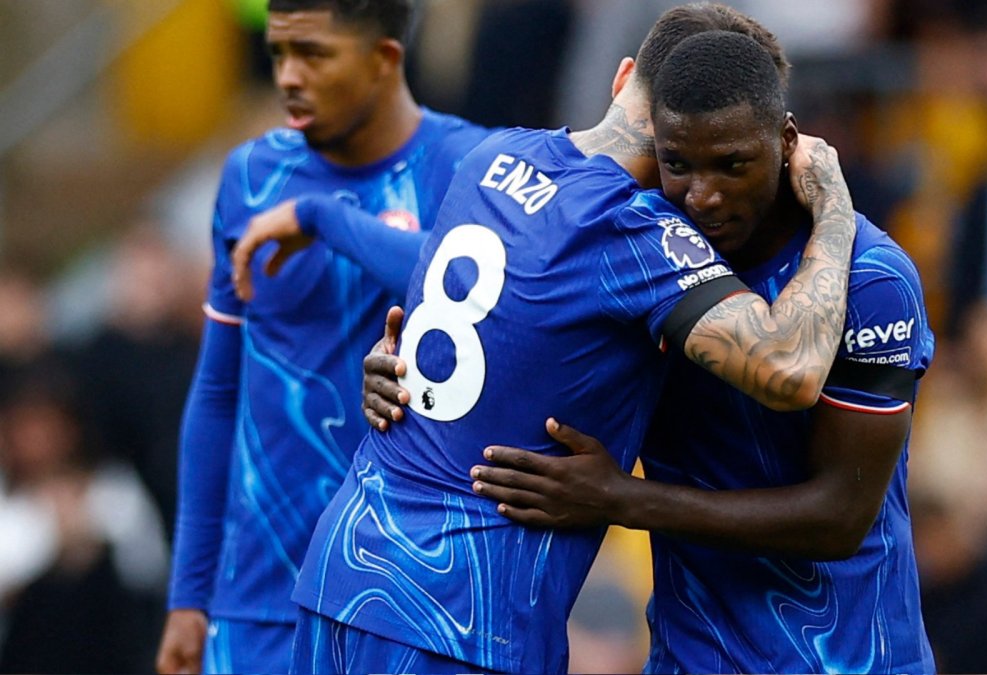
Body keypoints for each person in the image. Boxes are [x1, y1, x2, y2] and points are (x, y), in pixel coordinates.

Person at [232, 4, 857, 671]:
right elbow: (790, 367)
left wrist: (322, 214)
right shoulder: (634, 233)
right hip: (461, 611)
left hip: (345, 566)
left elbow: (442, 270)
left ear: (622, 80)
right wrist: (835, 212)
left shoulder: (494, 155)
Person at [368, 29, 936, 673]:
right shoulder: (640, 254)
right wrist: (403, 370)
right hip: (688, 655)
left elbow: (840, 517)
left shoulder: (869, 279)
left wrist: (623, 500)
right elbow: (497, 315)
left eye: (732, 163)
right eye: (679, 164)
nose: (703, 195)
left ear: (786, 143)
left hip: (848, 657)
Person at [154, 1, 491, 673]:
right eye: (279, 53)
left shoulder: (470, 165)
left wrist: (324, 219)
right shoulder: (252, 177)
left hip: (408, 596)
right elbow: (219, 390)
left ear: (384, 58)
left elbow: (468, 289)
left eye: (313, 53)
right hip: (258, 600)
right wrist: (190, 593)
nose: (288, 76)